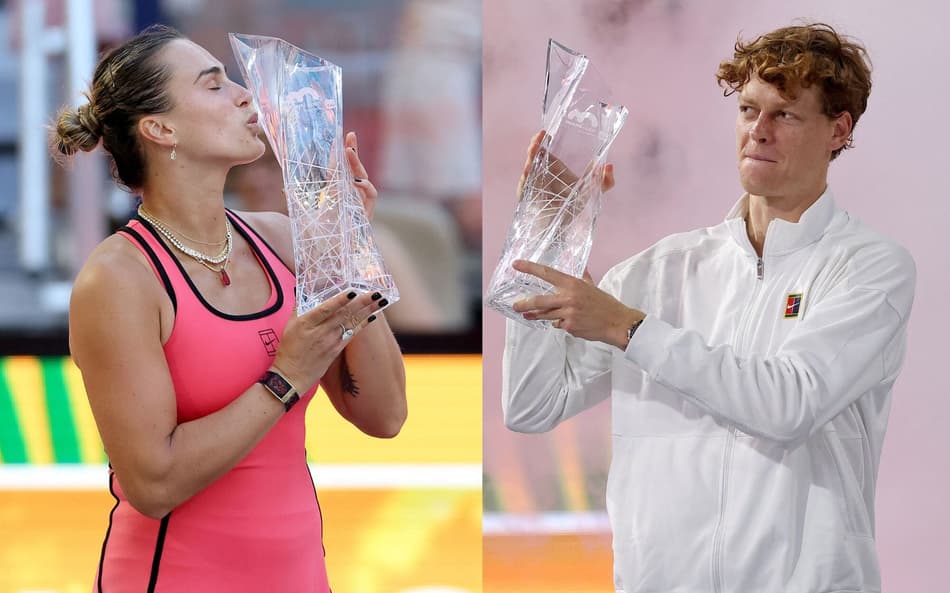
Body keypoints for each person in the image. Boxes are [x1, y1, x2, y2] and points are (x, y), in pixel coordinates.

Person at [502, 23, 915, 593]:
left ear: (838, 130)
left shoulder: (870, 267)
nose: (758, 132)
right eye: (748, 110)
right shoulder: (657, 270)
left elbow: (788, 404)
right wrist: (545, 235)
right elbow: (532, 404)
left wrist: (628, 328)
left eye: (785, 115)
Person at [54, 25, 406, 592]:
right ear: (160, 128)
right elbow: (153, 483)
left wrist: (345, 249)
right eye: (213, 85)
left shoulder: (284, 240)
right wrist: (285, 376)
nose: (245, 94)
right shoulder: (118, 280)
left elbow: (385, 416)